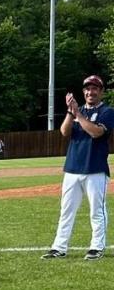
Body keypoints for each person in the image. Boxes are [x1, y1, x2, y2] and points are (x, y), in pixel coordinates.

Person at [43, 75, 114, 260]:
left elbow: (96, 132)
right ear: (83, 92)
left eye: (95, 89)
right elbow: (65, 132)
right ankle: (59, 247)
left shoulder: (107, 111)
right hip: (72, 168)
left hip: (95, 169)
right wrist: (70, 111)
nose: (91, 92)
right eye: (87, 89)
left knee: (97, 211)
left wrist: (78, 114)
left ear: (101, 92)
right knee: (66, 211)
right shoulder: (76, 111)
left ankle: (97, 247)